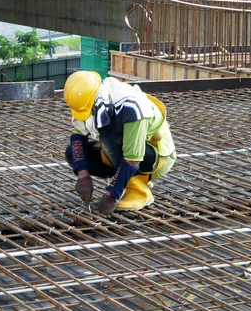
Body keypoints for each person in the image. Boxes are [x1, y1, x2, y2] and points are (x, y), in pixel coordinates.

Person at [63, 71, 176, 216]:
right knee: (72, 153)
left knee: (110, 138)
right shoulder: (92, 99)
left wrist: (112, 194)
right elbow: (78, 136)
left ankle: (139, 192)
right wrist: (82, 175)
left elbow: (133, 159)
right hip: (120, 151)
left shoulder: (131, 107)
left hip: (156, 156)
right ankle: (124, 180)